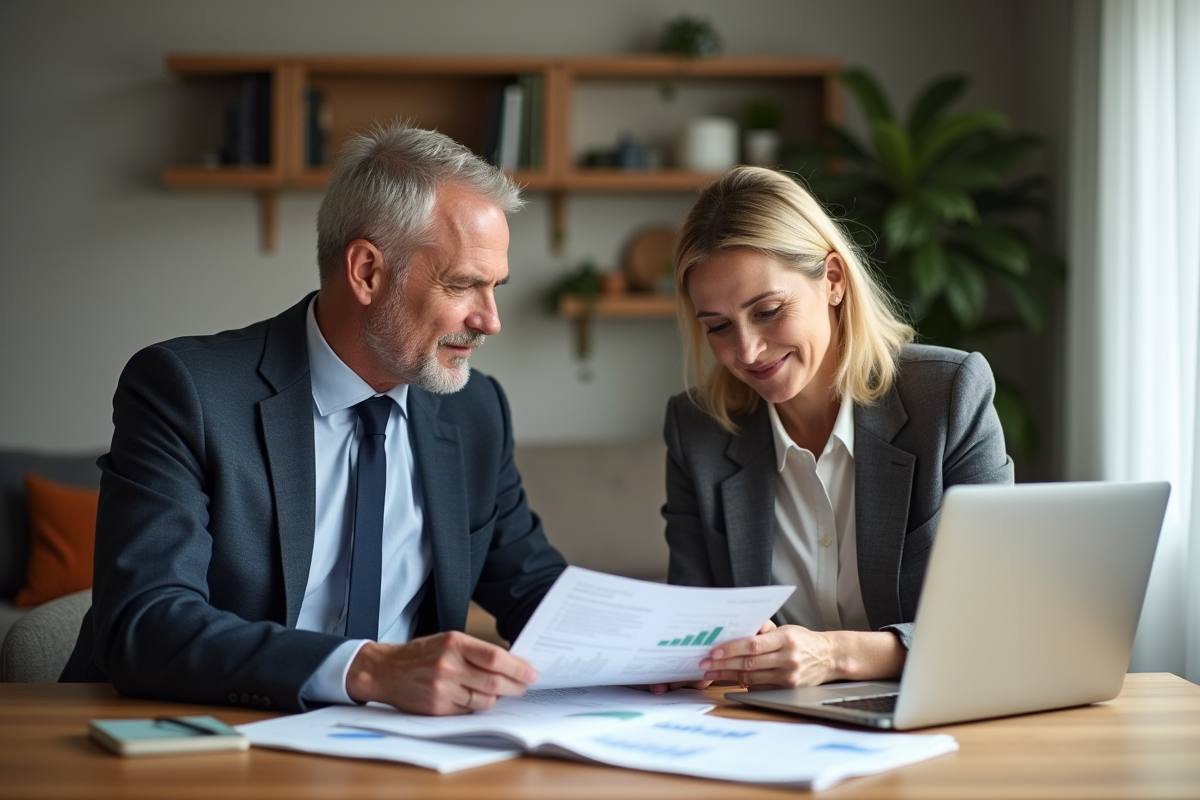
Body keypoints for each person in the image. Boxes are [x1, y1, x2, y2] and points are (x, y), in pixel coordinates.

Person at [61, 124, 567, 715]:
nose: (491, 320)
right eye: (463, 285)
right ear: (367, 272)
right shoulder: (185, 391)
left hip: (405, 751)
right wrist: (369, 669)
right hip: (210, 734)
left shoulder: (476, 410)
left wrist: (665, 655)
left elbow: (533, 587)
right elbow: (145, 623)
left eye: (495, 288)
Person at [655, 166, 1012, 692]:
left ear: (834, 281)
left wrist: (836, 654)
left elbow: (997, 618)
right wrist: (678, 657)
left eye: (769, 311)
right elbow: (694, 617)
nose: (748, 351)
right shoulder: (697, 431)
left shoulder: (949, 396)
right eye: (719, 327)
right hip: (771, 732)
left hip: (930, 716)